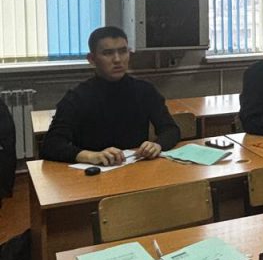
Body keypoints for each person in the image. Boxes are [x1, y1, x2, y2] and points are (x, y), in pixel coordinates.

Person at [41, 26, 181, 165]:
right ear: (92, 59)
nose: (117, 59)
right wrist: (90, 156)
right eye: (108, 53)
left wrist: (157, 145)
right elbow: (51, 145)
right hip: (94, 171)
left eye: (123, 51)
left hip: (136, 168)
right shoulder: (77, 97)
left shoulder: (144, 91)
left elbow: (170, 129)